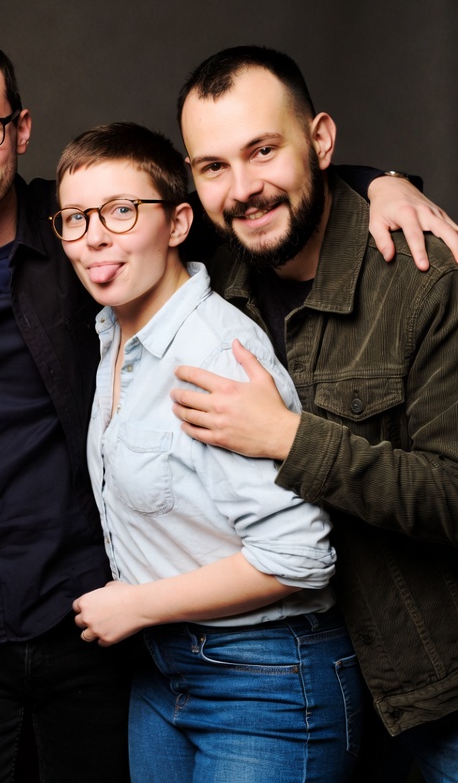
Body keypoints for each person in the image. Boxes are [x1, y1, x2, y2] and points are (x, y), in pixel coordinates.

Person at [0, 33, 446, 783]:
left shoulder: (142, 264)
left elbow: (254, 196)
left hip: (247, 658)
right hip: (132, 664)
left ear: (20, 129)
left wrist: (382, 183)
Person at [173, 45, 458, 783]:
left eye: (263, 150)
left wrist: (287, 438)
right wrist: (381, 179)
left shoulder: (425, 280)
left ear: (321, 140)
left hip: (431, 693)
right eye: (212, 166)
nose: (242, 189)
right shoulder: (212, 269)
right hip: (293, 687)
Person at [54, 121, 362, 782]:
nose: (94, 236)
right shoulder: (112, 334)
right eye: (75, 218)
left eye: (121, 210)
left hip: (266, 679)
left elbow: (302, 556)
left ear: (177, 222)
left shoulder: (214, 355)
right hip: (166, 673)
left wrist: (137, 604)